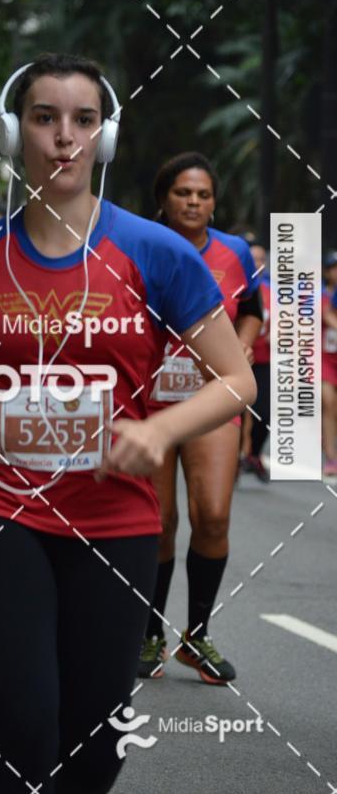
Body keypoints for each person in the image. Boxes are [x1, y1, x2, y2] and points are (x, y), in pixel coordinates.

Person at [0, 54, 256, 794]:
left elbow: (236, 378)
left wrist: (159, 431)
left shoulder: (154, 253)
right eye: (45, 118)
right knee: (23, 732)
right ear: (14, 133)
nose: (64, 137)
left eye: (84, 120)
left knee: (95, 749)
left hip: (113, 518)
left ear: (104, 137)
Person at [138, 152, 262, 685]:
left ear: (214, 203)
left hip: (213, 398)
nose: (193, 202)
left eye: (203, 194)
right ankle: (148, 635)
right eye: (183, 193)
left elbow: (252, 308)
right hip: (150, 403)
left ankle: (197, 637)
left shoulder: (234, 251)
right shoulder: (139, 246)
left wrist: (244, 345)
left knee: (212, 515)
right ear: (163, 200)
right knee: (158, 523)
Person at [239, 241, 271, 482]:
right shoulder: (235, 285)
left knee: (264, 412)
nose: (257, 264)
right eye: (252, 259)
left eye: (261, 259)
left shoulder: (273, 293)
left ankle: (253, 454)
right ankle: (234, 457)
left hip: (264, 360)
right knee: (237, 412)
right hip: (236, 360)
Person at [321, 252, 337, 476]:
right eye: (333, 267)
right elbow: (325, 315)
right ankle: (331, 457)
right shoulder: (319, 294)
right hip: (324, 358)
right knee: (329, 402)